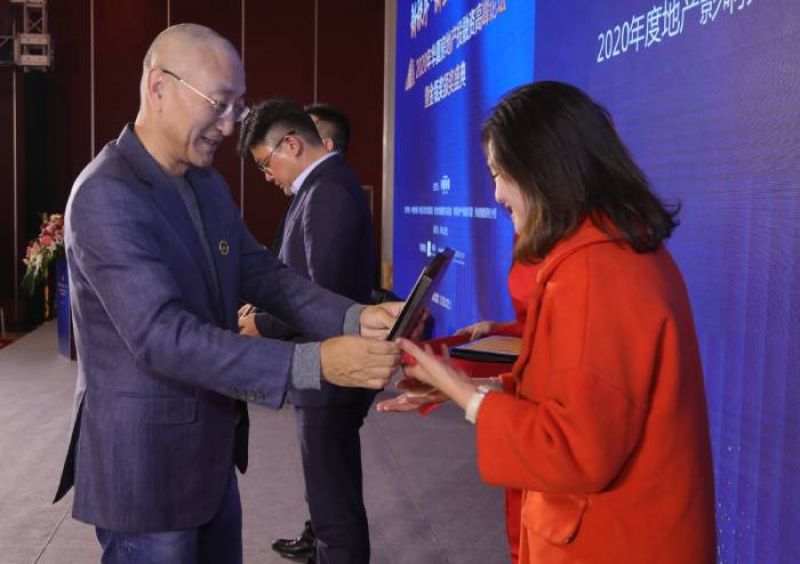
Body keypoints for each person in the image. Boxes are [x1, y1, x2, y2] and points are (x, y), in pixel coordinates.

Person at [53, 24, 402, 564]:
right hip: (146, 471)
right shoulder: (105, 194)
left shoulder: (205, 183)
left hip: (209, 456)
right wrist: (314, 363)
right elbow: (162, 337)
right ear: (158, 86)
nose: (230, 125)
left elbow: (263, 274)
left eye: (237, 106)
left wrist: (355, 317)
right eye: (219, 104)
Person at [386, 81, 717, 563]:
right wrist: (477, 389)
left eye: (499, 174)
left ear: (542, 168)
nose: (497, 194)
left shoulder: (594, 271)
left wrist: (466, 395)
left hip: (611, 540)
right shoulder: (612, 251)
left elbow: (574, 449)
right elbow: (584, 398)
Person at [238, 99, 377, 564]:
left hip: (329, 370)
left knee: (334, 508)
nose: (267, 176)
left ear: (292, 145)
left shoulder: (327, 191)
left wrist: (262, 322)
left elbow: (324, 295)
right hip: (324, 368)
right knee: (329, 496)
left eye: (265, 164)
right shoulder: (322, 187)